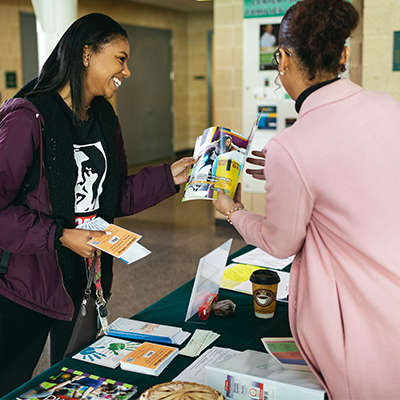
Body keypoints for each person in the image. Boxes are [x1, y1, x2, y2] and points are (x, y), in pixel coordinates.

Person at [0, 13, 194, 396]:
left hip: (86, 278)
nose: (128, 70)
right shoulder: (28, 117)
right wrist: (59, 236)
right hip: (25, 283)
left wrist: (169, 177)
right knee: (9, 381)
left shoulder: (104, 116)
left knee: (74, 383)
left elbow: (112, 196)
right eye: (121, 58)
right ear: (87, 53)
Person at [213, 1, 400, 399]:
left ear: (282, 59)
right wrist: (289, 172)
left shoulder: (294, 145)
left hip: (361, 327)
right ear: (344, 54)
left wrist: (234, 211)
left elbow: (280, 243)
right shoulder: (388, 106)